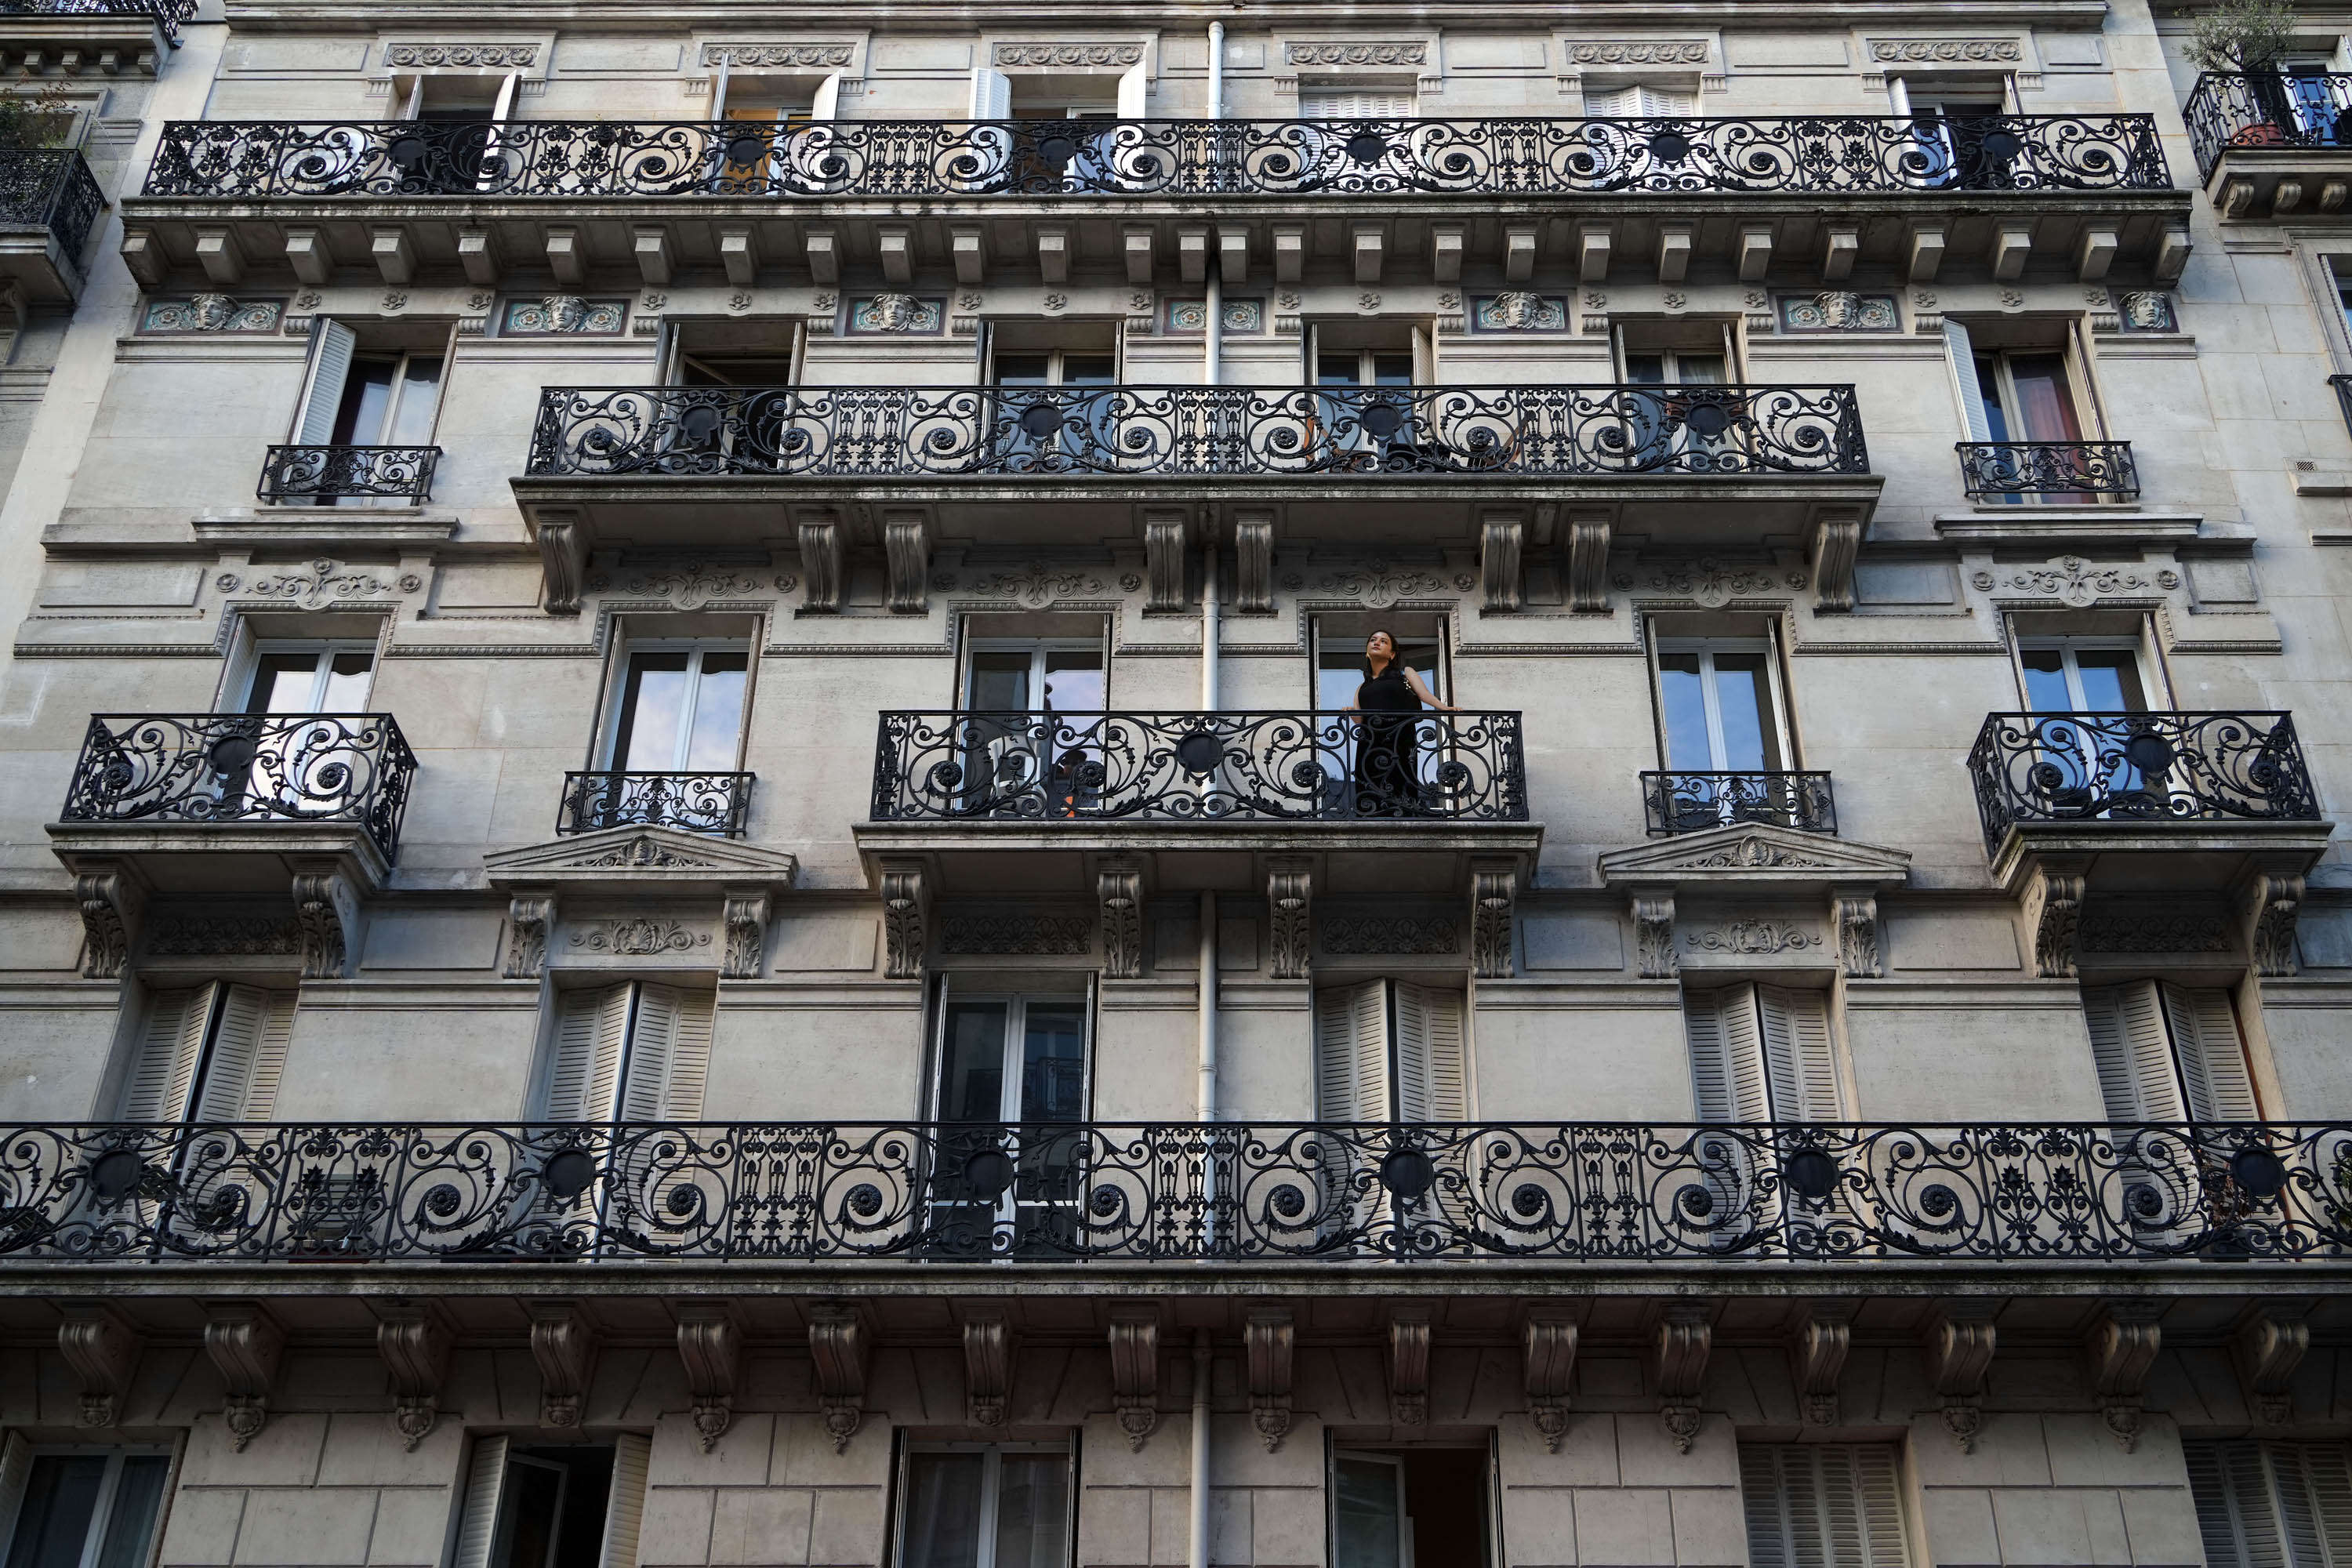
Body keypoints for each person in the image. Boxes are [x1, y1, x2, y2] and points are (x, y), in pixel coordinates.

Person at [1345, 630, 1456, 816]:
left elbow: (1424, 695)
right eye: (1373, 640)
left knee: (1401, 783)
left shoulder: (1406, 673)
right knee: (1369, 789)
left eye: (1383, 641)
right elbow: (1360, 720)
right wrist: (1350, 712)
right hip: (1370, 744)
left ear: (1392, 654)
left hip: (1399, 739)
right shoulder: (1362, 687)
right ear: (1367, 650)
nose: (1376, 643)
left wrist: (1444, 708)